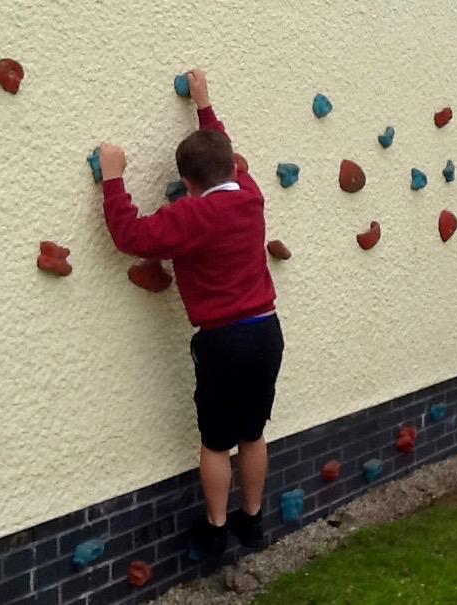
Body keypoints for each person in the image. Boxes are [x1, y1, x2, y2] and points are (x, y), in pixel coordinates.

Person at [96, 69, 284, 558]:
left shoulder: (191, 216)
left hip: (223, 341)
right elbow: (223, 149)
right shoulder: (251, 196)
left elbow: (131, 236)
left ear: (186, 183)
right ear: (232, 167)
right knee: (253, 433)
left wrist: (113, 176)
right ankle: (253, 521)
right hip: (266, 331)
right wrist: (204, 104)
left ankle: (216, 529)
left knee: (217, 442)